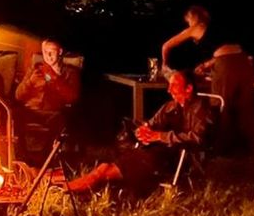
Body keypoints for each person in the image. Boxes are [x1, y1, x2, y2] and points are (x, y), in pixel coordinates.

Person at [65, 71, 213, 197]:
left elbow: (198, 138)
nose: (169, 90)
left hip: (174, 158)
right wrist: (143, 130)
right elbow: (151, 123)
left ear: (188, 88)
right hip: (155, 152)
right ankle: (76, 186)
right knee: (104, 167)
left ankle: (76, 188)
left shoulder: (202, 110)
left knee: (104, 173)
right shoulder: (170, 107)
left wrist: (160, 136)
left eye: (174, 85)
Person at [160, 5, 254, 154]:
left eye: (188, 21)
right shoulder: (218, 28)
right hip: (243, 63)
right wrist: (206, 64)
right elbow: (226, 51)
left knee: (220, 105)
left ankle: (219, 151)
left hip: (226, 65)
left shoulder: (197, 27)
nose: (188, 25)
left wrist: (164, 65)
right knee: (247, 105)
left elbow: (166, 46)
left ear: (193, 17)